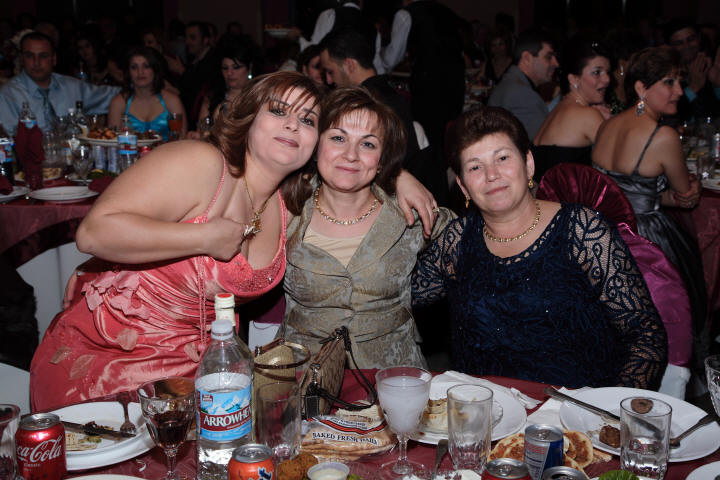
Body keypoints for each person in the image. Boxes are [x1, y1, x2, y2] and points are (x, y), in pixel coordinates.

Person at [30, 72, 437, 410]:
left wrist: (397, 174)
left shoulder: (288, 206)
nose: (292, 125)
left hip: (203, 377)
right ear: (249, 117)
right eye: (278, 111)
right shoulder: (202, 164)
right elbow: (94, 233)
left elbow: (350, 162)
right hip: (112, 363)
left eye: (308, 120)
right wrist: (203, 235)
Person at [412, 106, 667, 389]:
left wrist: (610, 408)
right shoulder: (457, 241)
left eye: (502, 158)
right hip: (483, 409)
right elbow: (392, 297)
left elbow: (646, 335)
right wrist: (396, 180)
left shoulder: (581, 231)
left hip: (575, 409)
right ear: (463, 186)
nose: (491, 174)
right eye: (475, 167)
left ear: (529, 164)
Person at [278, 86, 454, 368]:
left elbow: (477, 239)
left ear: (382, 159)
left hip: (393, 380)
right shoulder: (287, 208)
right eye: (338, 138)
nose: (351, 155)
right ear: (316, 145)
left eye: (368, 144)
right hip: (302, 378)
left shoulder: (408, 214)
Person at [592, 46, 708, 374]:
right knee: (676, 311)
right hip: (646, 239)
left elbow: (628, 191)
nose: (679, 91)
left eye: (679, 82)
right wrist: (692, 191)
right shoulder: (663, 135)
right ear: (641, 88)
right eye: (668, 82)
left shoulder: (607, 125)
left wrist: (665, 197)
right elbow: (684, 195)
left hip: (604, 235)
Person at [379, 0, 465, 150]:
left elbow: (391, 58)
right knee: (448, 136)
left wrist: (378, 54)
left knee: (427, 138)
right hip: (456, 82)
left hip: (429, 85)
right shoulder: (445, 11)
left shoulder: (405, 14)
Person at [0, 31, 119, 135]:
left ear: (54, 59)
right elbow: (7, 140)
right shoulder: (9, 94)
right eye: (30, 56)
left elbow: (114, 96)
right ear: (22, 59)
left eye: (43, 56)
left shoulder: (71, 86)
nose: (36, 62)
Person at [532, 39, 611, 181]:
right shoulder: (587, 115)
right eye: (597, 72)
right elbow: (622, 162)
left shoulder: (560, 109)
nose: (606, 79)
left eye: (607, 72)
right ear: (574, 79)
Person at [488, 30, 559, 140]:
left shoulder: (512, 81)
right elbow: (544, 144)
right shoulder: (523, 94)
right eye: (549, 57)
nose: (556, 63)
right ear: (527, 58)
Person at [107, 47, 186, 141]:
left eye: (146, 66)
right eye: (134, 67)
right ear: (128, 72)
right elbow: (112, 141)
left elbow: (181, 139)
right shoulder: (119, 103)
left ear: (155, 70)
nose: (140, 72)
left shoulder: (172, 101)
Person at [290, 0, 384, 74]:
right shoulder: (372, 26)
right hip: (359, 83)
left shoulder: (329, 15)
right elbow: (377, 65)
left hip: (337, 80)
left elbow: (313, 52)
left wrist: (299, 38)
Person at [195, 36, 257, 129]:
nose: (229, 73)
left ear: (250, 68)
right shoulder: (212, 98)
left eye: (236, 67)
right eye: (225, 68)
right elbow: (202, 130)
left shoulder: (259, 97)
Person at [664, 19, 720, 121]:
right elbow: (668, 117)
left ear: (699, 38)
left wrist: (717, 85)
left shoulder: (711, 67)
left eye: (690, 39)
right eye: (679, 43)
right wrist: (692, 88)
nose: (687, 46)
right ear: (670, 47)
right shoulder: (665, 73)